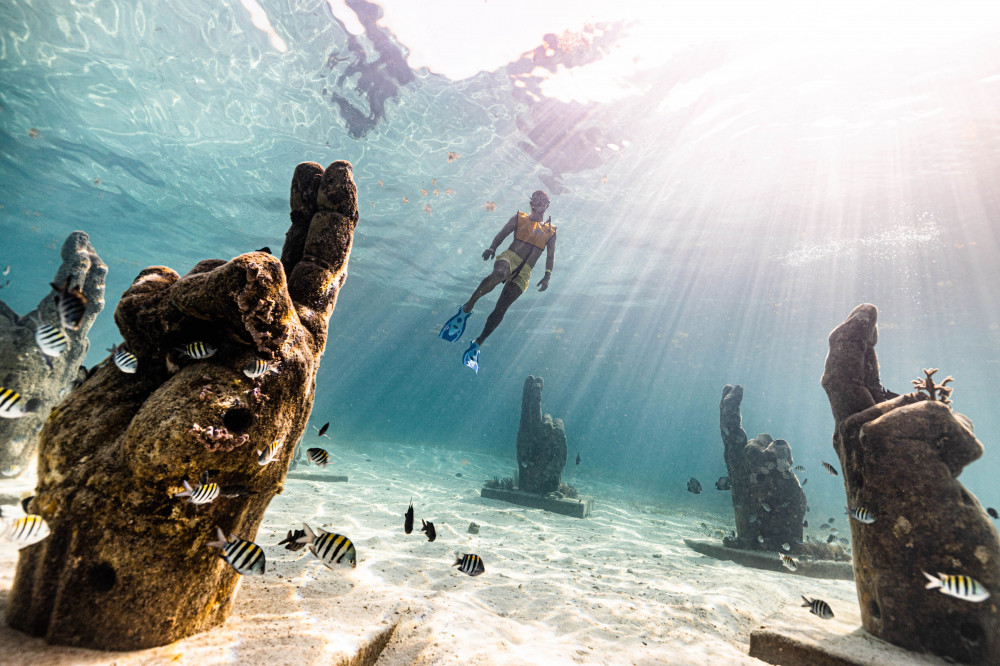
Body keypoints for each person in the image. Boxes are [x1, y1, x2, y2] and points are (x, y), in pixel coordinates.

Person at [439, 190, 557, 373]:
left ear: (548, 204)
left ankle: (477, 344)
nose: (540, 203)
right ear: (531, 202)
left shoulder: (551, 231)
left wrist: (548, 275)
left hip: (525, 272)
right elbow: (502, 234)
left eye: (544, 200)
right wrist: (492, 247)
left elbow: (551, 256)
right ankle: (466, 310)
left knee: (502, 307)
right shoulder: (519, 218)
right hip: (510, 257)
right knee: (500, 273)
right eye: (537, 199)